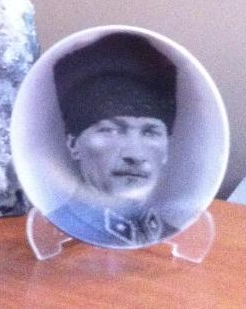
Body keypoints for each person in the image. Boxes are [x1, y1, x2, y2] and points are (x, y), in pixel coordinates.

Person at [48, 32, 178, 248]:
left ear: (166, 149)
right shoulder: (57, 231)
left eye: (150, 132)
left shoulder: (168, 235)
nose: (135, 155)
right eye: (110, 130)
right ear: (73, 144)